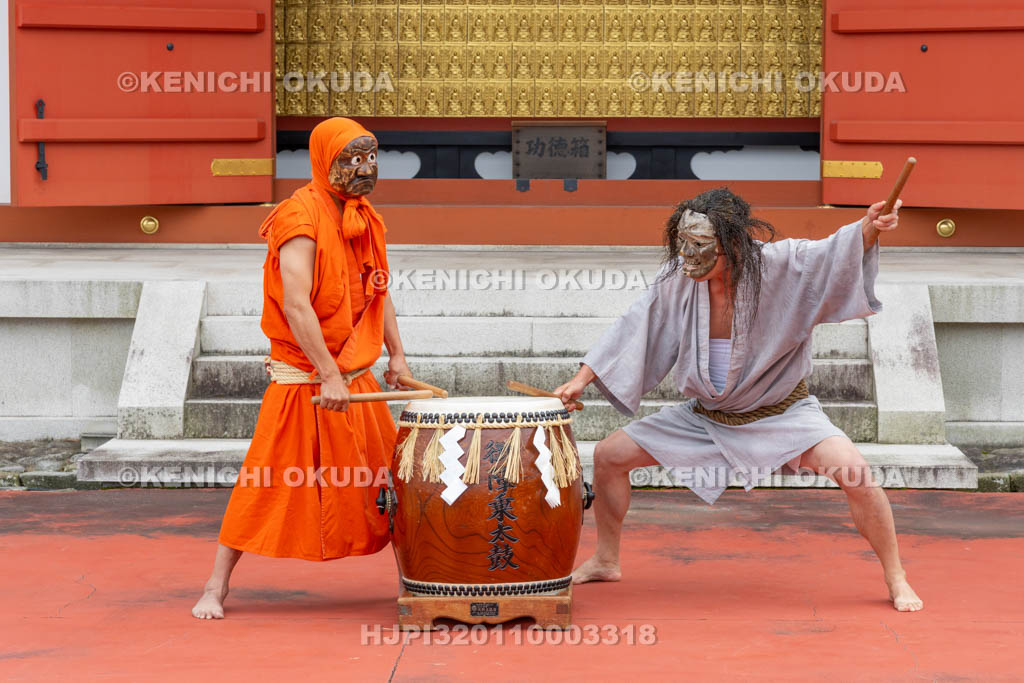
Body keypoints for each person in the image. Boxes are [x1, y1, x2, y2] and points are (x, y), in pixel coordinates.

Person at [554, 187, 923, 612]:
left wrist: (870, 227)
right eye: (682, 243)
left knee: (858, 475)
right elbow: (636, 324)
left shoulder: (781, 264)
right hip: (706, 416)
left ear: (732, 243)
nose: (688, 255)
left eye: (700, 245)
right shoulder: (679, 279)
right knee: (609, 455)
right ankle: (605, 558)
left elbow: (831, 252)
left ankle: (896, 574)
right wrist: (583, 377)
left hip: (782, 413)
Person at [192, 117, 411, 619]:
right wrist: (328, 374)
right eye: (351, 159)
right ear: (323, 161)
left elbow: (379, 290)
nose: (365, 168)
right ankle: (215, 586)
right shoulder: (299, 217)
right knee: (265, 482)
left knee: (389, 481)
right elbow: (296, 305)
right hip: (304, 379)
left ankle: (411, 578)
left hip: (355, 374)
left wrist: (396, 356)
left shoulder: (366, 218)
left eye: (370, 156)